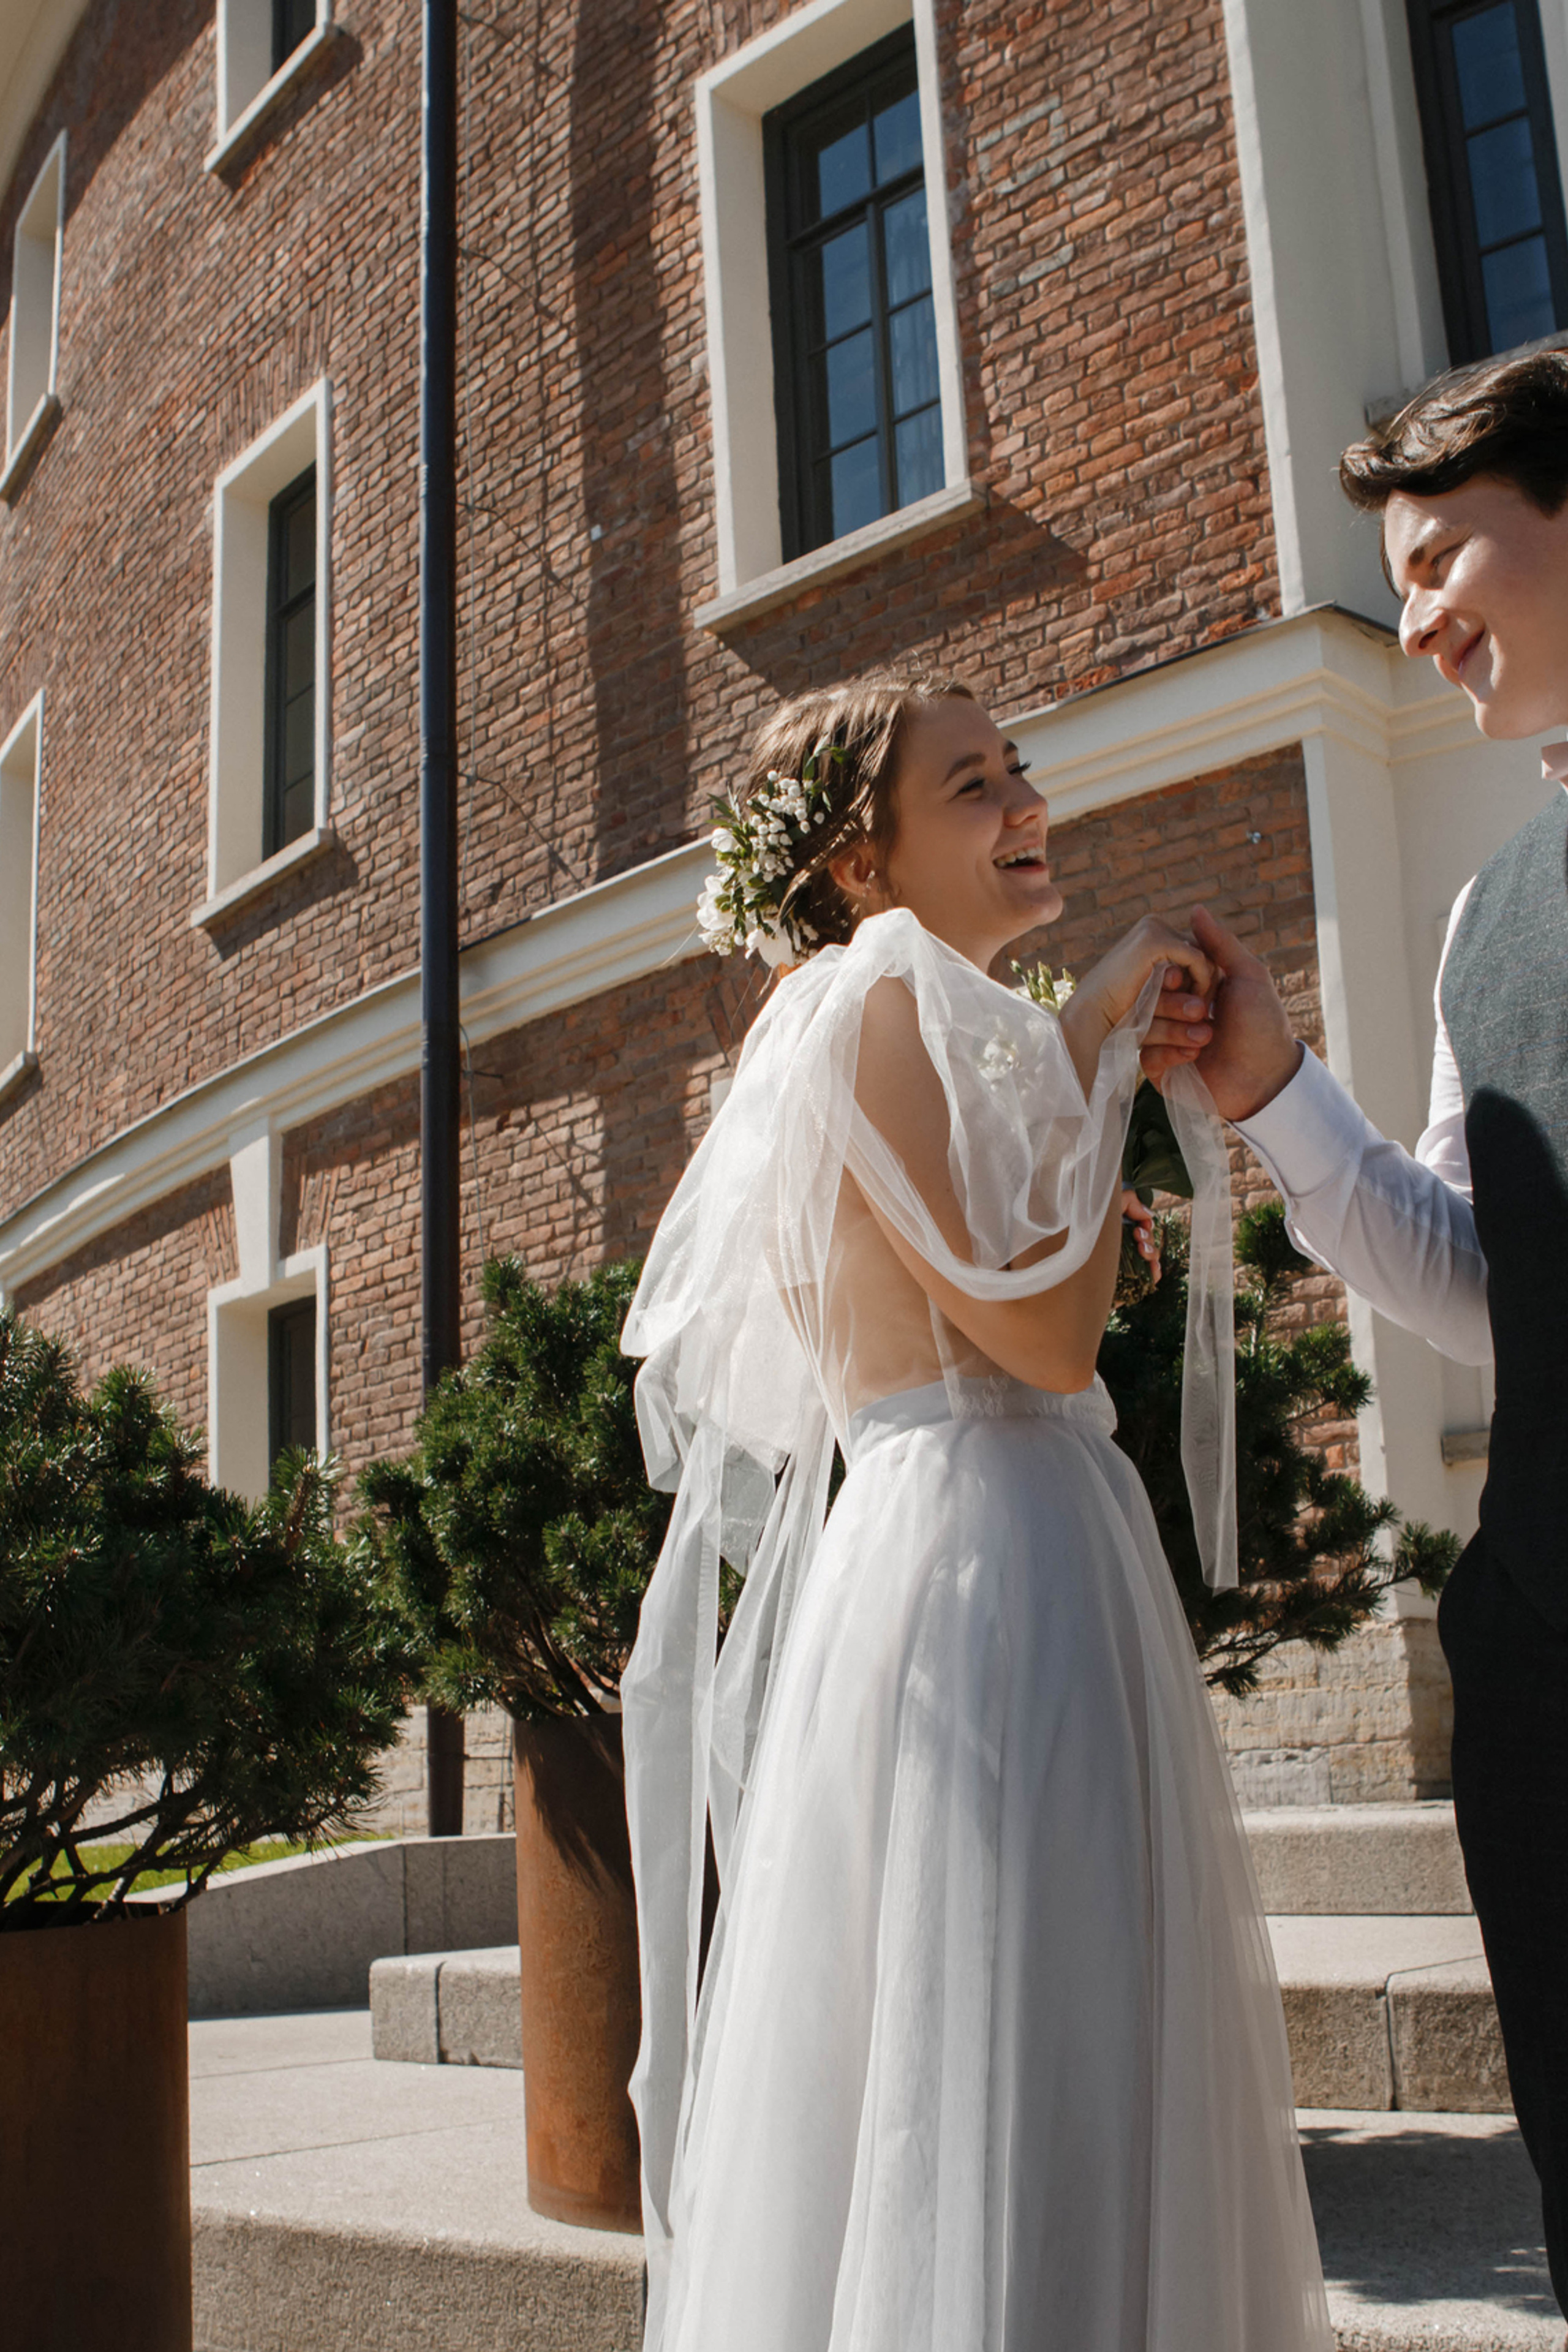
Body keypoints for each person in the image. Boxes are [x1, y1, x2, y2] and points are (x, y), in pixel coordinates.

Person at [619, 670, 1332, 2351]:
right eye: (970, 786)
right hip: (973, 1564)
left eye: (1020, 769)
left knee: (1080, 2021)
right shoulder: (864, 997)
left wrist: (1071, 1058)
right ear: (860, 870)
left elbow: (1028, 1297)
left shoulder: (959, 1019)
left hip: (1045, 1534)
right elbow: (1043, 1329)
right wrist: (1091, 1050)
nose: (1025, 804)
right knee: (990, 2027)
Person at [1139, 349, 1568, 2326]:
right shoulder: (1487, 917)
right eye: (1388, 576)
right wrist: (1272, 1083)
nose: (1409, 618)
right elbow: (1479, 1271)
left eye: (1440, 554)